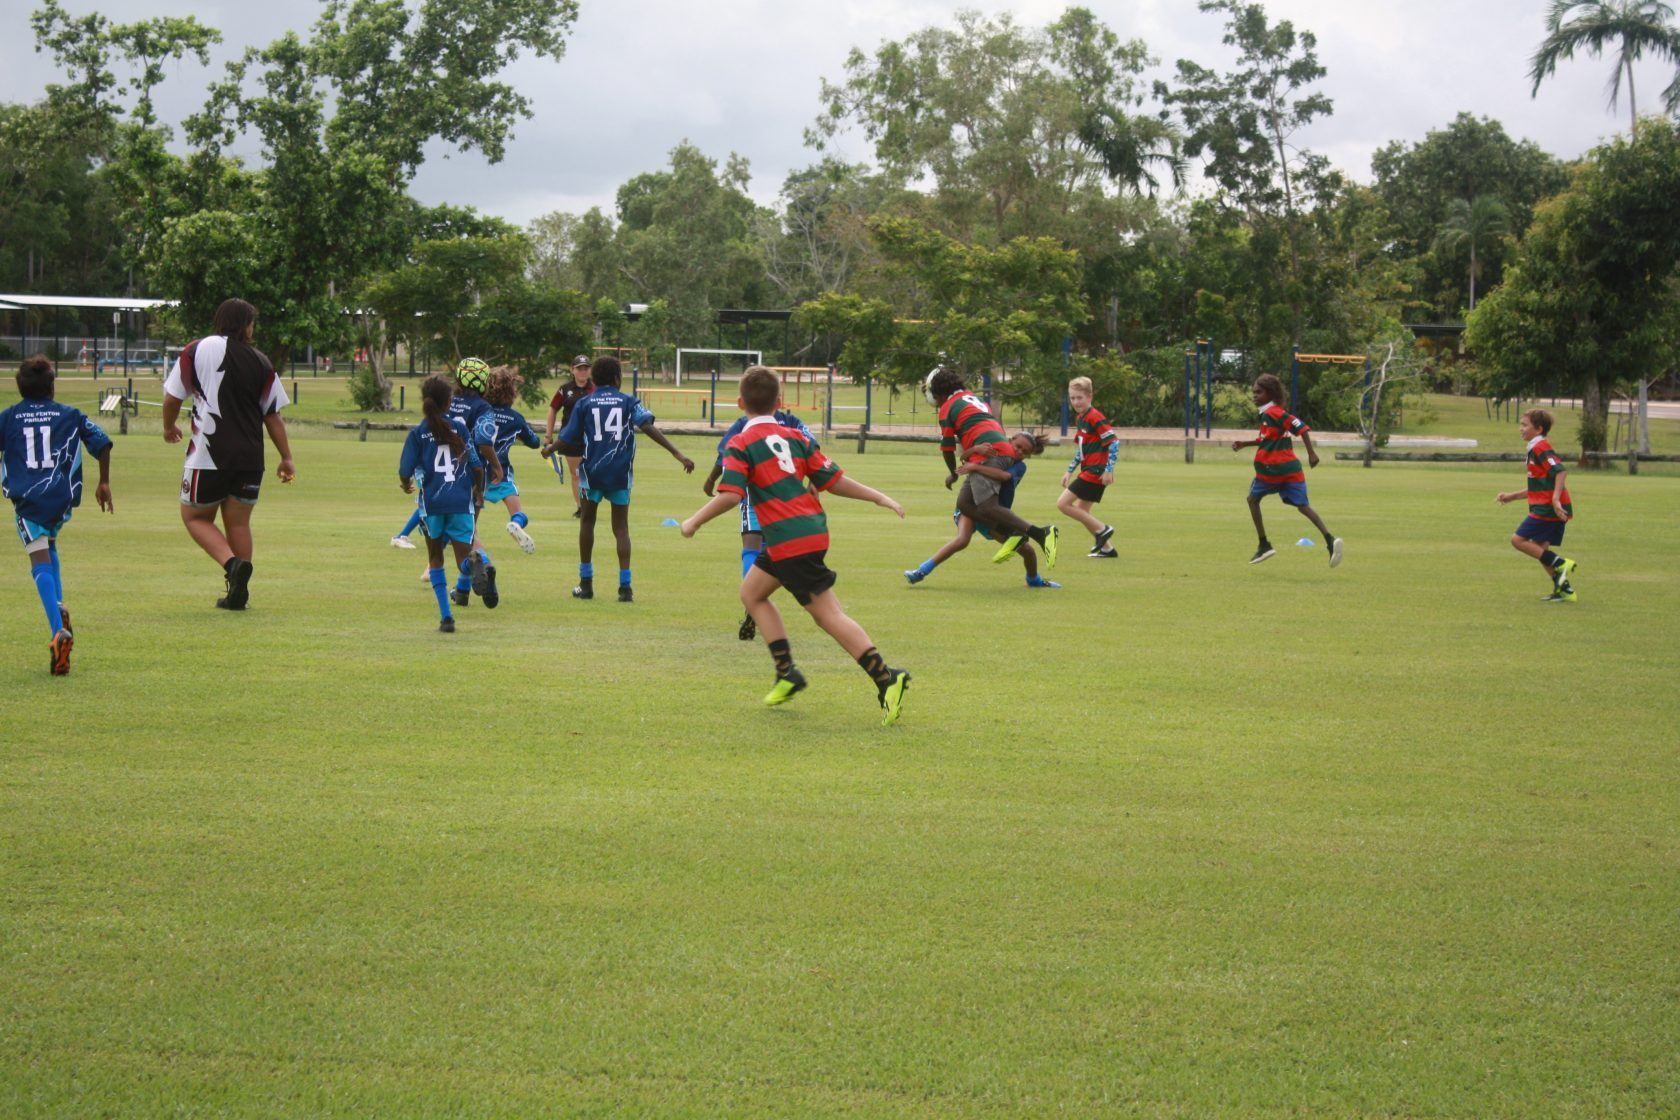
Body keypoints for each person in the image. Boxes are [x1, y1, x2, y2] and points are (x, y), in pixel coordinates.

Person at [681, 366, 911, 726]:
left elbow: (730, 495)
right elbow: (833, 481)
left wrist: (693, 521)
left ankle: (886, 677)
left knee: (827, 614)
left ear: (740, 403)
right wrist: (879, 497)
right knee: (752, 593)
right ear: (780, 402)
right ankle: (787, 672)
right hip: (806, 531)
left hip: (790, 539)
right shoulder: (796, 436)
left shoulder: (739, 442)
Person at [161, 297, 296, 610]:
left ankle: (232, 565)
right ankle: (239, 593)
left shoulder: (197, 349)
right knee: (238, 523)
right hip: (250, 460)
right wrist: (286, 457)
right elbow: (272, 415)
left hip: (207, 455)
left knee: (195, 517)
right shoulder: (262, 362)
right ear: (245, 325)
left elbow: (172, 397)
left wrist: (169, 427)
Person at [1, 355, 115, 674]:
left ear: (20, 387)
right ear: (52, 386)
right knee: (49, 549)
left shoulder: (8, 418)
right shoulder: (71, 414)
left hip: (28, 501)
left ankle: (57, 631)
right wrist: (104, 482)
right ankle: (60, 609)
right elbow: (102, 444)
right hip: (60, 499)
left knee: (38, 561)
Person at [556, 355, 694, 602]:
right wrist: (677, 453)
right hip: (620, 474)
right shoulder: (629, 402)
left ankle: (585, 584)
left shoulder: (585, 403)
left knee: (587, 523)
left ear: (594, 379)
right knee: (621, 528)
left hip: (592, 474)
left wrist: (548, 448)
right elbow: (649, 427)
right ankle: (625, 588)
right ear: (618, 379)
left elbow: (567, 437)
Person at [702, 395, 820, 640]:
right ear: (778, 400)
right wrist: (813, 483)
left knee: (751, 546)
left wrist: (711, 479)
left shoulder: (743, 425)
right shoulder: (792, 422)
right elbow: (814, 449)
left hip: (754, 494)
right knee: (775, 552)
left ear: (743, 401)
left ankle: (752, 604)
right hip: (786, 501)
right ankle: (765, 601)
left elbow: (725, 452)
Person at [924, 365, 1059, 568]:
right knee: (965, 504)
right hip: (994, 449)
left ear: (939, 393)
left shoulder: (947, 407)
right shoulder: (974, 399)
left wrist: (953, 473)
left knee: (987, 507)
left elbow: (947, 447)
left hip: (990, 454)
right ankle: (1014, 534)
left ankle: (1041, 533)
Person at [906, 431, 1058, 589]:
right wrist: (975, 450)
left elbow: (1004, 476)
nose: (1019, 452)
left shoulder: (1020, 467)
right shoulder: (993, 452)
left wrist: (975, 467)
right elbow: (964, 458)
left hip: (992, 514)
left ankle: (1034, 580)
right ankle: (920, 572)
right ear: (1010, 441)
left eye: (1025, 452)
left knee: (1027, 550)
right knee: (962, 540)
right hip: (971, 508)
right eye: (1018, 446)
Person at [399, 376, 486, 632]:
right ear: (449, 402)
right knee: (462, 560)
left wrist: (406, 485)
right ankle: (475, 564)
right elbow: (477, 467)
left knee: (436, 558)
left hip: (432, 504)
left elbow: (405, 469)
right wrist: (477, 492)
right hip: (460, 501)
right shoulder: (459, 428)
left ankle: (446, 618)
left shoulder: (418, 433)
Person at [1231, 373, 1342, 568]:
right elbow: (1267, 438)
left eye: (1258, 392)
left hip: (1271, 469)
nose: (1254, 396)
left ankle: (1264, 544)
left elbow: (1301, 427)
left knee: (1252, 500)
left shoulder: (1273, 412)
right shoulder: (1271, 415)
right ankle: (1330, 540)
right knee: (1303, 506)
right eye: (1253, 393)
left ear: (1270, 393)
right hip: (1291, 470)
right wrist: (1245, 443)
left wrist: (1312, 453)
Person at [1495, 408, 1578, 602]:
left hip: (1548, 509)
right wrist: (1511, 496)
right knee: (1541, 550)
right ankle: (1564, 590)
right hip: (1546, 507)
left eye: (1525, 425)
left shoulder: (1541, 448)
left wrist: (1556, 499)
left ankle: (1560, 563)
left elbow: (1560, 472)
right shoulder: (1534, 448)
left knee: (1517, 540)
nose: (1520, 429)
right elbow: (1538, 486)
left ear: (1539, 428)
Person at [443, 356, 502, 607]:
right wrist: (496, 467)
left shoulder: (447, 403)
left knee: (462, 534)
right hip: (472, 474)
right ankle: (484, 565)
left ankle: (463, 591)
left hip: (444, 473)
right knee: (468, 532)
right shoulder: (482, 408)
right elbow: (483, 440)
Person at [481, 366, 544, 554]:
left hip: (475, 472)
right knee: (519, 513)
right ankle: (515, 524)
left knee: (466, 517)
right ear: (511, 391)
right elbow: (534, 442)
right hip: (502, 474)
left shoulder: (480, 412)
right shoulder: (516, 419)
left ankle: (454, 538)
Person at [1057, 376, 1120, 558]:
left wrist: (1109, 470)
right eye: (1073, 398)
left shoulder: (1095, 416)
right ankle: (1108, 549)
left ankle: (1103, 529)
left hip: (1096, 472)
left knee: (1063, 504)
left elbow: (1114, 443)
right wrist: (1069, 470)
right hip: (1088, 470)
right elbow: (1082, 449)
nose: (1076, 402)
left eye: (1080, 398)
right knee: (1082, 511)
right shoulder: (1081, 418)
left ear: (1090, 397)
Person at [543, 354, 595, 517]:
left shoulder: (595, 389)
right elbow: (553, 409)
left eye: (586, 368)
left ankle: (590, 503)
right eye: (579, 369)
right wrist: (548, 435)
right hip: (571, 438)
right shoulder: (565, 389)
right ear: (573, 370)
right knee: (576, 473)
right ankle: (581, 507)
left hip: (592, 438)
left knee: (591, 473)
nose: (582, 372)